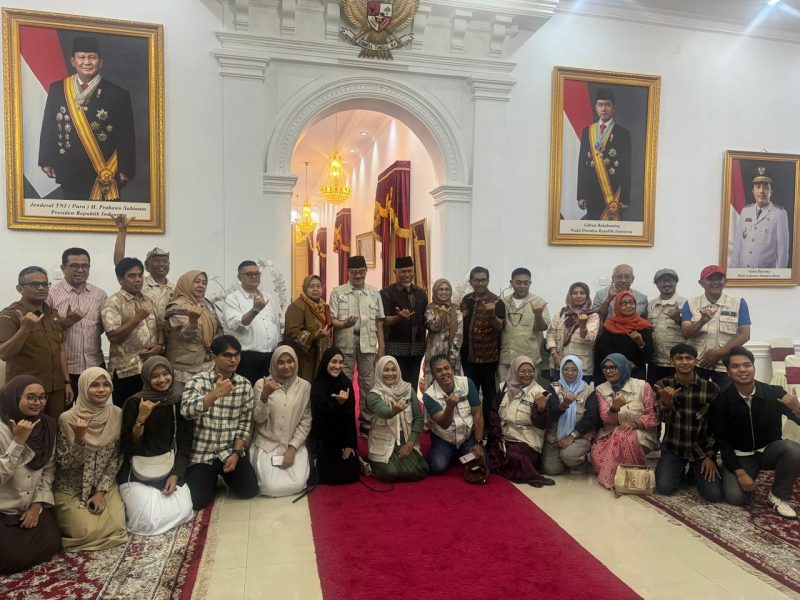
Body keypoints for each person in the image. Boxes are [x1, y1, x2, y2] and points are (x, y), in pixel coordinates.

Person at [38, 36, 135, 201]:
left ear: (100, 62)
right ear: (73, 61)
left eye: (92, 57)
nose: (87, 62)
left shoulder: (118, 94)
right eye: (81, 57)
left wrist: (126, 169)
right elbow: (49, 126)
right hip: (68, 168)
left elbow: (126, 135)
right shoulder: (58, 89)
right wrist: (46, 159)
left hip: (105, 171)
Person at [711, 346, 800, 518]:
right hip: (740, 456)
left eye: (747, 365)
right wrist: (740, 473)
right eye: (735, 366)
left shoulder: (774, 393)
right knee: (736, 498)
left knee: (793, 449)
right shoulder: (721, 402)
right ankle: (726, 468)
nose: (742, 370)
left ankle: (778, 496)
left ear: (753, 367)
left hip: (769, 451)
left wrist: (797, 408)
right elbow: (723, 442)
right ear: (728, 372)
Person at [118, 357, 194, 535]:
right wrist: (140, 420)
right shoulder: (134, 403)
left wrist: (176, 474)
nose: (162, 380)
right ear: (146, 378)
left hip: (168, 467)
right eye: (155, 376)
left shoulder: (177, 401)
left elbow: (185, 443)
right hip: (136, 470)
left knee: (185, 511)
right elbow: (128, 447)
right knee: (148, 521)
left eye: (166, 374)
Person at [54, 368, 128, 551]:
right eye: (94, 385)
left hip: (103, 484)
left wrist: (101, 492)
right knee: (86, 533)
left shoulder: (117, 414)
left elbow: (116, 458)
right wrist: (79, 439)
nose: (101, 390)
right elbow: (65, 463)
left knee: (118, 527)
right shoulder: (67, 418)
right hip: (72, 487)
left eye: (106, 385)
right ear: (83, 387)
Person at [181, 335, 259, 509]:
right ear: (214, 357)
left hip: (228, 451)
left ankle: (220, 476)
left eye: (237, 355)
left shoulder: (244, 385)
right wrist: (214, 394)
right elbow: (186, 411)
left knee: (249, 490)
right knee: (197, 502)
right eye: (227, 355)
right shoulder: (197, 381)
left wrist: (236, 454)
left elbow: (244, 424)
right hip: (202, 453)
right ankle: (210, 479)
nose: (234, 360)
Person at [0, 376, 61, 575]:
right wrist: (18, 442)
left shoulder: (47, 426)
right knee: (12, 559)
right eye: (31, 397)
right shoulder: (1, 430)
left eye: (42, 397)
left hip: (30, 504)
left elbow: (48, 470)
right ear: (14, 397)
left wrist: (37, 505)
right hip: (4, 508)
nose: (38, 402)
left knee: (52, 545)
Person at [0, 267, 73, 417]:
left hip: (56, 389)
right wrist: (24, 329)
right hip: (26, 392)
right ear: (20, 289)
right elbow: (4, 354)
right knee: (27, 430)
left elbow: (59, 349)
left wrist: (67, 382)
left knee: (54, 428)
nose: (41, 288)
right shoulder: (10, 315)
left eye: (45, 284)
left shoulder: (52, 313)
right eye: (34, 284)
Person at [653, 344, 722, 501]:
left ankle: (694, 471)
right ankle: (683, 471)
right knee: (664, 487)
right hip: (674, 447)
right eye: (679, 358)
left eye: (689, 358)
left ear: (696, 360)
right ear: (671, 361)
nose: (684, 362)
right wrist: (665, 402)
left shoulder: (711, 388)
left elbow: (717, 425)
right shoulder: (662, 385)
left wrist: (710, 456)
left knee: (713, 495)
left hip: (701, 450)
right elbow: (660, 419)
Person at [329, 255, 386, 435]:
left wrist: (381, 347)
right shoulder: (337, 292)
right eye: (354, 272)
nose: (358, 275)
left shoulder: (374, 293)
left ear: (366, 271)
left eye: (361, 271)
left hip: (368, 342)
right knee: (343, 380)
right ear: (348, 272)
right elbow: (332, 320)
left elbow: (379, 321)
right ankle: (344, 419)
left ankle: (366, 421)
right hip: (345, 341)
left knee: (368, 382)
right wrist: (343, 324)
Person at [591, 353, 659, 489]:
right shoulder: (600, 390)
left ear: (622, 367)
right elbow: (606, 418)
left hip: (640, 434)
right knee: (597, 458)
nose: (608, 371)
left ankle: (617, 478)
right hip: (609, 434)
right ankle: (628, 475)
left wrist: (634, 423)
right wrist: (614, 408)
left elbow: (653, 416)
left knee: (624, 436)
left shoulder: (642, 386)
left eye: (613, 367)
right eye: (605, 368)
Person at [251, 346, 312, 497]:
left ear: (296, 362)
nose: (286, 366)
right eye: (281, 362)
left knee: (298, 484)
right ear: (274, 364)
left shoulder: (304, 387)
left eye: (290, 361)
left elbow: (305, 421)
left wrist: (292, 449)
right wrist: (264, 396)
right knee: (269, 487)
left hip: (293, 443)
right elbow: (258, 418)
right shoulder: (261, 384)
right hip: (267, 444)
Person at [101, 257, 163, 406]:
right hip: (127, 371)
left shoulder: (148, 300)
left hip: (150, 368)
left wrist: (160, 345)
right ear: (120, 279)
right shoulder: (113, 302)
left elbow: (160, 327)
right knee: (128, 414)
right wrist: (137, 318)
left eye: (140, 275)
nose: (138, 280)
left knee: (152, 413)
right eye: (132, 276)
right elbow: (113, 337)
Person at [48, 247, 108, 398]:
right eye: (74, 266)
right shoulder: (51, 294)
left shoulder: (100, 294)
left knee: (95, 411)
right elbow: (46, 333)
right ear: (63, 268)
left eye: (85, 266)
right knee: (65, 411)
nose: (80, 270)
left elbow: (101, 328)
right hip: (64, 370)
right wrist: (67, 322)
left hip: (95, 365)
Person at [487, 356, 554, 487]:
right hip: (504, 435)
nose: (527, 375)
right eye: (523, 371)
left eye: (530, 371)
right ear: (514, 371)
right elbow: (494, 412)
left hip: (526, 438)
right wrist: (497, 434)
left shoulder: (540, 392)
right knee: (491, 455)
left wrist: (541, 409)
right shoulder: (504, 387)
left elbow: (542, 424)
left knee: (517, 458)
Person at [681, 265, 751, 389]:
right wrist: (701, 321)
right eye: (710, 279)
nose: (715, 282)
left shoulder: (738, 303)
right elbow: (686, 334)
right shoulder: (690, 303)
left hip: (725, 366)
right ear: (701, 283)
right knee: (696, 398)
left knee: (727, 399)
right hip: (698, 365)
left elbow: (744, 335)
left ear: (725, 281)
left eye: (719, 278)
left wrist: (718, 353)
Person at [366, 356, 428, 482]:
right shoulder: (373, 394)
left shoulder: (408, 389)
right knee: (391, 473)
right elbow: (384, 412)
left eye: (393, 369)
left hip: (405, 440)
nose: (390, 374)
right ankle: (368, 463)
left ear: (398, 371)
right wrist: (394, 411)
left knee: (419, 470)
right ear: (379, 371)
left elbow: (418, 419)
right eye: (386, 370)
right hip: (383, 443)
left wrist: (410, 443)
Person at [422, 354, 485, 475]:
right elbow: (444, 424)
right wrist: (450, 407)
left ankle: (458, 455)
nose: (444, 373)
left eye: (446, 368)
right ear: (433, 375)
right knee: (437, 466)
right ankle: (449, 454)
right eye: (439, 371)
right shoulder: (428, 396)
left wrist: (478, 443)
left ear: (452, 368)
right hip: (444, 439)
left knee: (480, 463)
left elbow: (477, 415)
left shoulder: (467, 383)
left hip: (467, 438)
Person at [576, 87, 632, 220]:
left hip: (613, 195)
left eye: (608, 105)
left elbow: (626, 168)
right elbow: (582, 164)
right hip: (591, 194)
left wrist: (625, 198)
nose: (604, 109)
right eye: (600, 105)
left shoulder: (623, 134)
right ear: (595, 108)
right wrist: (581, 194)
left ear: (614, 108)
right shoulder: (587, 131)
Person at [224, 260, 282, 385]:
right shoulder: (233, 298)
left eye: (257, 273)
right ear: (240, 277)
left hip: (271, 357)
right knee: (248, 393)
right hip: (247, 358)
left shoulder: (268, 297)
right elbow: (235, 325)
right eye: (249, 274)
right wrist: (255, 310)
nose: (254, 276)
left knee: (269, 393)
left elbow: (276, 325)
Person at [460, 267, 505, 428]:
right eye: (477, 280)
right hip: (468, 357)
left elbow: (499, 327)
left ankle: (488, 428)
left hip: (488, 358)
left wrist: (491, 314)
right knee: (469, 393)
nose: (480, 283)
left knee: (489, 394)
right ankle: (471, 426)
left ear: (488, 281)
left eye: (483, 280)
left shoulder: (497, 301)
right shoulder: (466, 300)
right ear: (471, 282)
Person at [309, 347, 361, 485]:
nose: (337, 366)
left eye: (341, 362)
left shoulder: (346, 383)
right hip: (324, 440)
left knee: (352, 472)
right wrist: (339, 404)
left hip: (342, 439)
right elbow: (320, 420)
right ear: (326, 362)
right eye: (333, 362)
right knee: (331, 475)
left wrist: (350, 444)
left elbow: (350, 417)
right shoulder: (318, 386)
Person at [542, 356, 597, 476]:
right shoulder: (553, 387)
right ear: (561, 370)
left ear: (580, 371)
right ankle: (566, 461)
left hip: (579, 436)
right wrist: (564, 405)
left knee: (568, 455)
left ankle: (580, 464)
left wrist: (571, 437)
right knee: (551, 469)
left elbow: (591, 418)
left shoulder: (589, 390)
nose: (570, 373)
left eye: (574, 369)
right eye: (566, 369)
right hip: (555, 436)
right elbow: (552, 413)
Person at [165, 270, 223, 383]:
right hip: (184, 368)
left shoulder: (206, 304)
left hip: (209, 364)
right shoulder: (176, 306)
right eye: (196, 281)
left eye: (204, 282)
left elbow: (218, 328)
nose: (201, 285)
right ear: (186, 283)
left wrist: (215, 346)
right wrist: (193, 320)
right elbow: (185, 335)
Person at [112, 216, 173, 321]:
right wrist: (122, 231)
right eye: (156, 261)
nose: (161, 264)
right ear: (146, 265)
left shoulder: (175, 288)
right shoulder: (140, 282)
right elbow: (119, 263)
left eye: (164, 261)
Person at [730, 167, 790, 269]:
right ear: (753, 191)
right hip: (743, 272)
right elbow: (737, 246)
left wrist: (778, 276)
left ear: (771, 191)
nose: (761, 191)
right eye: (758, 187)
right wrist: (733, 271)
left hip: (765, 274)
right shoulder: (745, 211)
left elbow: (782, 252)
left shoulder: (780, 214)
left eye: (766, 187)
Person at [380, 257, 428, 385]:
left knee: (412, 385)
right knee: (394, 385)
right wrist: (398, 317)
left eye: (410, 271)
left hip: (417, 349)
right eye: (403, 271)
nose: (407, 275)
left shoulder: (421, 294)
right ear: (395, 272)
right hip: (394, 350)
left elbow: (425, 320)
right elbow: (383, 321)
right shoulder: (386, 293)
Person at [498, 268, 550, 384]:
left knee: (530, 393)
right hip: (506, 359)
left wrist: (538, 314)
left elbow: (543, 327)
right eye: (518, 282)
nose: (522, 286)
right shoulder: (503, 302)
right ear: (511, 283)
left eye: (525, 283)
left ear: (530, 283)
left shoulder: (538, 302)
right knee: (504, 392)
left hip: (529, 359)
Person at [593, 291, 653, 382]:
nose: (628, 306)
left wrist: (641, 343)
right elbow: (602, 349)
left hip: (635, 374)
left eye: (631, 303)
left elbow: (649, 355)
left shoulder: (644, 326)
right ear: (617, 306)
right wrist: (623, 363)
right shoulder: (610, 325)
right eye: (624, 303)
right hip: (612, 372)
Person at [546, 282, 599, 382]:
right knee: (559, 391)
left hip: (581, 367)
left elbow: (590, 339)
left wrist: (582, 325)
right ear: (570, 296)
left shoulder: (592, 315)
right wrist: (554, 354)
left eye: (582, 293)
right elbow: (551, 334)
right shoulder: (562, 312)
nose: (578, 296)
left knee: (581, 392)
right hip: (559, 365)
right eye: (575, 293)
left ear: (587, 296)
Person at [284, 275, 332, 382]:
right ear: (305, 288)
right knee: (306, 385)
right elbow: (292, 333)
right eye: (311, 286)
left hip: (322, 355)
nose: (315, 289)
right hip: (306, 358)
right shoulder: (297, 306)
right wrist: (314, 336)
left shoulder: (324, 306)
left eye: (318, 286)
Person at [646, 269, 686, 384]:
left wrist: (678, 319)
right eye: (662, 281)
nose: (667, 284)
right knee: (654, 392)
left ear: (676, 282)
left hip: (676, 363)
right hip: (655, 362)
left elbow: (691, 332)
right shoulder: (651, 305)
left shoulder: (685, 304)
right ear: (656, 284)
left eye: (670, 280)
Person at [422, 278, 463, 388]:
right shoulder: (430, 308)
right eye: (441, 289)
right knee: (433, 385)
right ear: (435, 291)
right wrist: (441, 316)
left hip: (453, 353)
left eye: (447, 289)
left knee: (452, 385)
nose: (444, 292)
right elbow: (432, 327)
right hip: (433, 352)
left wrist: (453, 357)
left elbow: (459, 334)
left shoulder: (456, 309)